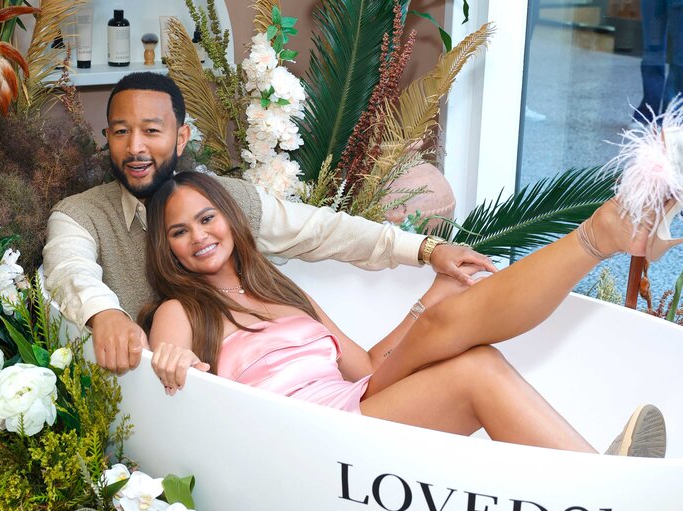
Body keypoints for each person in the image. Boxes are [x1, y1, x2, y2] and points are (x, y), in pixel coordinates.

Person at [142, 170, 680, 456]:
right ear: (167, 248)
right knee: (457, 344)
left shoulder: (284, 293)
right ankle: (602, 233)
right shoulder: (182, 310)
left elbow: (368, 370)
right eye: (179, 231)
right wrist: (168, 360)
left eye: (207, 218)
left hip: (353, 405)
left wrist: (433, 296)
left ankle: (598, 479)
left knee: (478, 365)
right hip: (305, 435)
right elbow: (167, 360)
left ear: (230, 221)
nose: (199, 237)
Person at [42, 72, 495, 374]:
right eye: (121, 132)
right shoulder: (80, 214)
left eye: (151, 131)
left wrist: (425, 250)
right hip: (173, 400)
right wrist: (105, 315)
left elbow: (321, 230)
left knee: (479, 363)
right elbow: (69, 270)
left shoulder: (225, 199)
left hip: (260, 386)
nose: (135, 147)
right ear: (108, 139)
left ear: (181, 137)